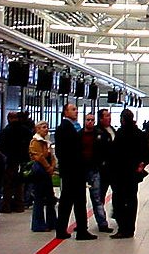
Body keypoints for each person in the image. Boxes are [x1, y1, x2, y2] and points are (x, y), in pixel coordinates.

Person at [55, 103, 96, 240]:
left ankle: (70, 230)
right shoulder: (65, 128)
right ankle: (78, 231)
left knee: (73, 201)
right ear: (65, 112)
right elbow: (66, 152)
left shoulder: (72, 128)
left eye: (76, 110)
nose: (76, 112)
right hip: (72, 171)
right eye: (73, 109)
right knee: (74, 201)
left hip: (72, 171)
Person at [109, 109, 149, 239]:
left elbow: (114, 153)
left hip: (121, 173)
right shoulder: (139, 133)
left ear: (122, 119)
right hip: (133, 173)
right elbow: (146, 153)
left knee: (119, 200)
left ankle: (122, 227)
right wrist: (141, 165)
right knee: (132, 199)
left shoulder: (121, 133)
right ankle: (130, 228)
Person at [81, 112, 112, 233]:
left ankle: (102, 223)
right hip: (82, 169)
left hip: (94, 169)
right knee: (80, 199)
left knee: (97, 198)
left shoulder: (100, 135)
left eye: (92, 120)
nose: (90, 122)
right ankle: (82, 223)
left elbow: (105, 150)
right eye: (88, 119)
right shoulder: (79, 135)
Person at [0, 111, 32, 213]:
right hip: (23, 161)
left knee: (8, 185)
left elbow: (0, 146)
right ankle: (19, 206)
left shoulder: (6, 131)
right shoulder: (26, 130)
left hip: (10, 161)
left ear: (9, 118)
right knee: (20, 184)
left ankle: (6, 206)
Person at [28, 121, 57, 232]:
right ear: (37, 129)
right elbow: (39, 157)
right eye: (44, 127)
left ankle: (52, 222)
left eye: (47, 127)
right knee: (39, 198)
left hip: (47, 172)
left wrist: (52, 166)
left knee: (50, 198)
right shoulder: (35, 142)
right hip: (40, 172)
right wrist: (48, 167)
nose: (46, 129)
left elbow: (52, 156)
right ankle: (38, 224)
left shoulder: (46, 142)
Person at [95, 108, 115, 207]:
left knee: (117, 190)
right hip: (103, 168)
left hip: (114, 167)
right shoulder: (97, 131)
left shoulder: (112, 130)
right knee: (101, 192)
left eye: (109, 115)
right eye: (106, 116)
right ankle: (100, 215)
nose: (109, 118)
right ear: (101, 118)